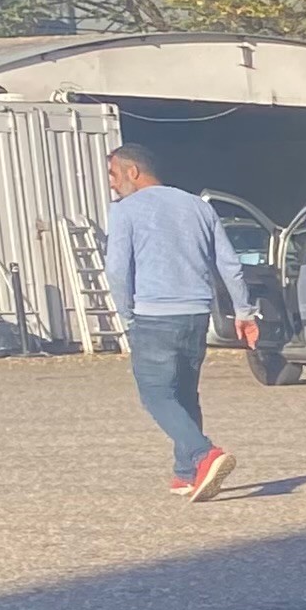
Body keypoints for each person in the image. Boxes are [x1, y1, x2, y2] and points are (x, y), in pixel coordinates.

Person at [101, 145, 259, 502]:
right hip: (195, 314)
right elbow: (229, 264)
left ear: (133, 172)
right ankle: (186, 473)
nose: (111, 184)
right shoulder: (199, 207)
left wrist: (127, 314)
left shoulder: (126, 211)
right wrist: (244, 312)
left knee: (155, 393)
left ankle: (204, 454)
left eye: (113, 175)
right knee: (185, 393)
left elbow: (116, 269)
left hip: (154, 315)